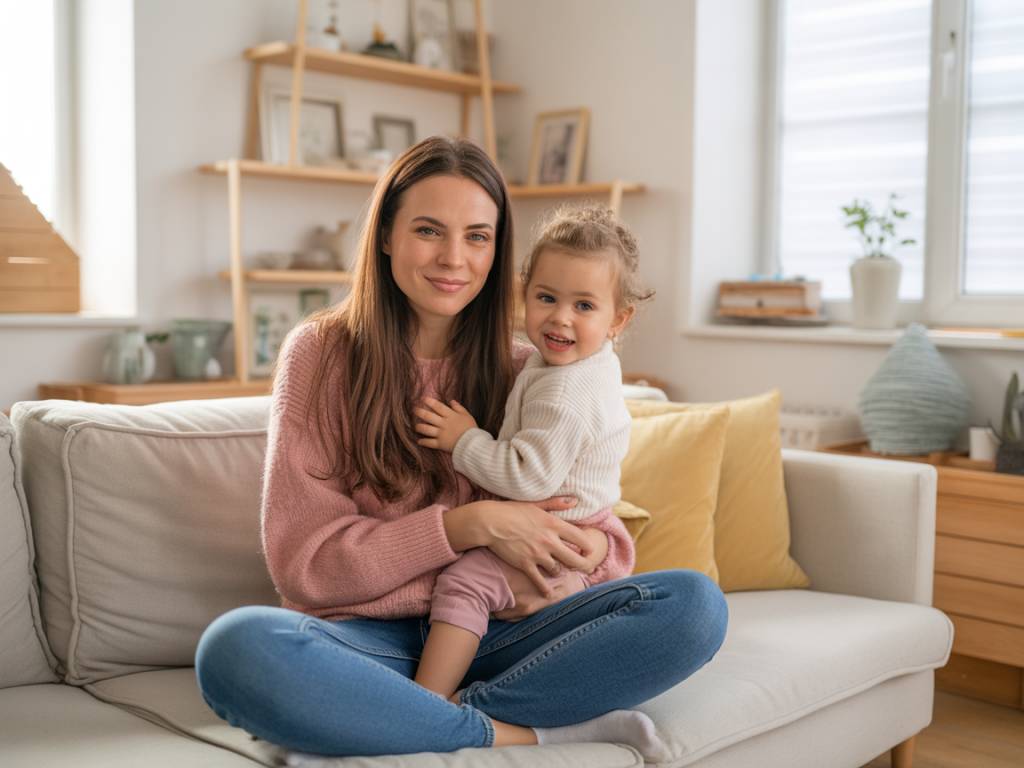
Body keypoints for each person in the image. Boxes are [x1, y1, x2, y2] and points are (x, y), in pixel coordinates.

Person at [194, 136, 729, 761]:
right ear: (387, 234)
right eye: (429, 230)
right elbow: (304, 564)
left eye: (477, 236)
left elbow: (582, 511)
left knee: (694, 607)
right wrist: (467, 525)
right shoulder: (320, 355)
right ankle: (508, 731)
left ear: (498, 251)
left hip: (505, 632)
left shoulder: (531, 365)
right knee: (237, 647)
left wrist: (588, 559)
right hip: (371, 641)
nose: (454, 258)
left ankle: (405, 719)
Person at [410, 202, 652, 704]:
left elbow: (529, 477)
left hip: (560, 535)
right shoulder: (572, 365)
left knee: (465, 584)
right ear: (525, 293)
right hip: (573, 535)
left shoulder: (565, 390)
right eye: (546, 297)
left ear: (618, 319)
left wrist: (464, 440)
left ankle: (426, 702)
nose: (560, 319)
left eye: (584, 306)